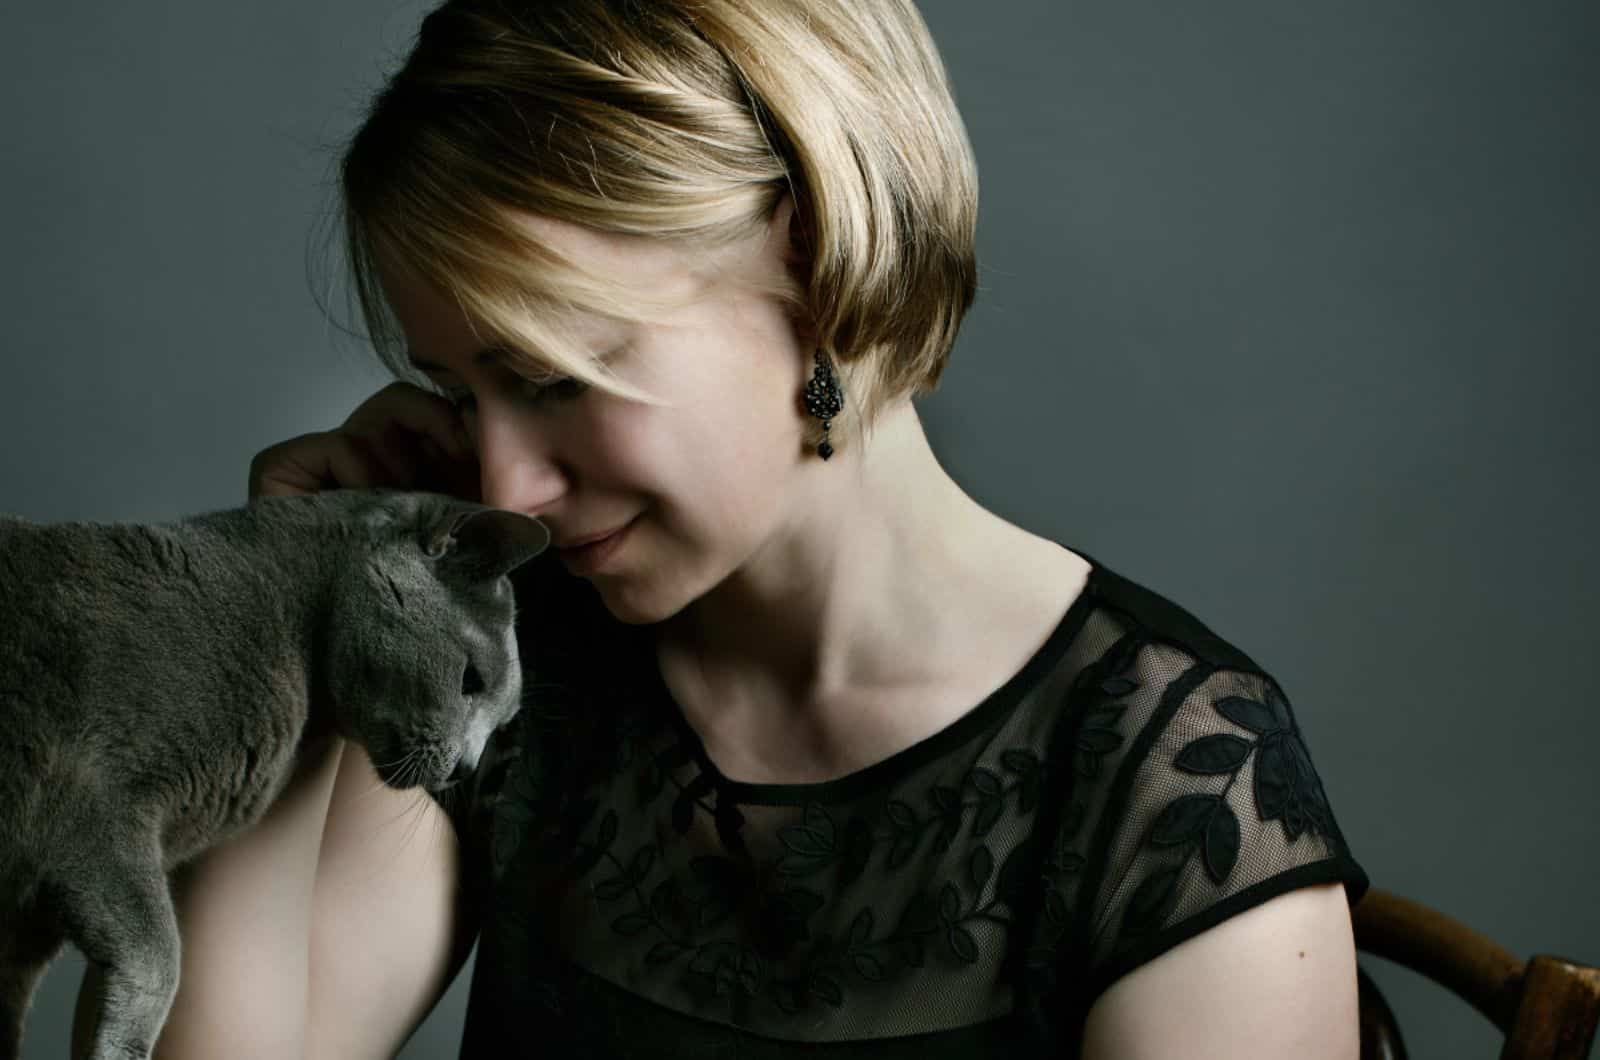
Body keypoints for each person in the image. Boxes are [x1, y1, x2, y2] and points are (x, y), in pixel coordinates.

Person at [76, 0, 1370, 1055]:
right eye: (460, 390)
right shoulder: (522, 651)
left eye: (554, 376)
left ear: (812, 262)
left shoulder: (1175, 787)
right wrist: (302, 603)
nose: (504, 482)